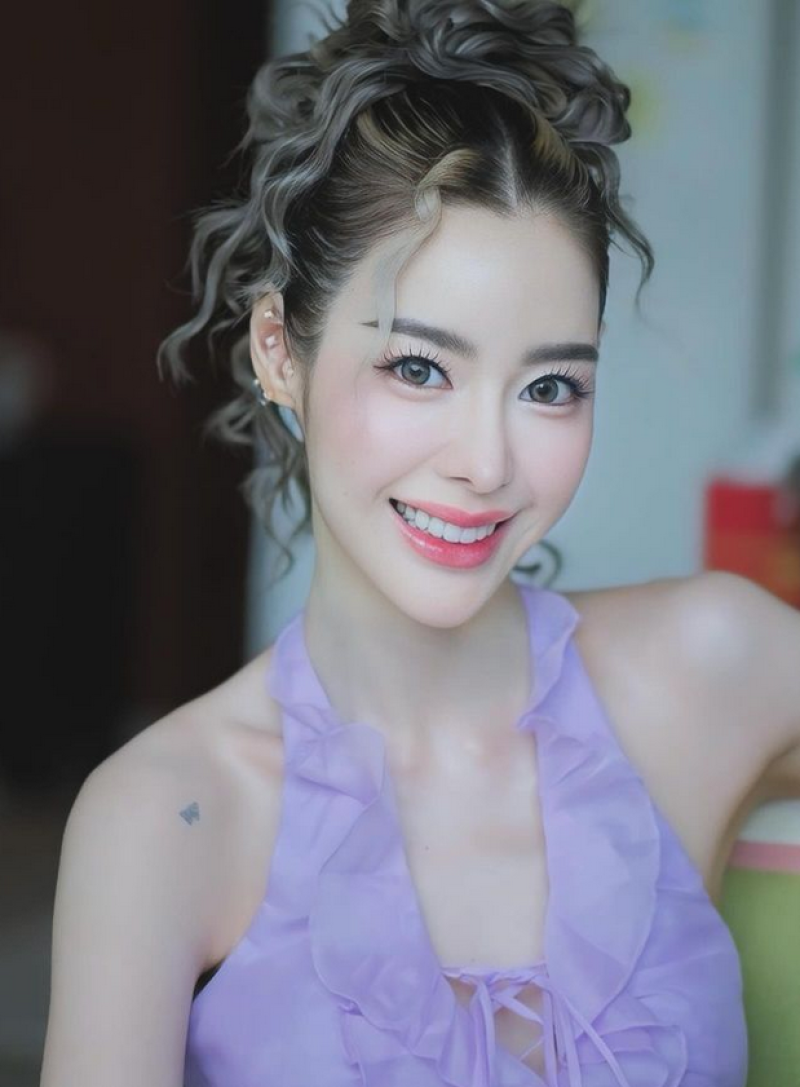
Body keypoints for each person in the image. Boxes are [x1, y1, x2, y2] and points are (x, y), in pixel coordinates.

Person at [40, 1, 800, 1085]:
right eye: (418, 368)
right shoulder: (168, 815)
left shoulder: (707, 670)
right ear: (278, 350)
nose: (485, 462)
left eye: (549, 387)